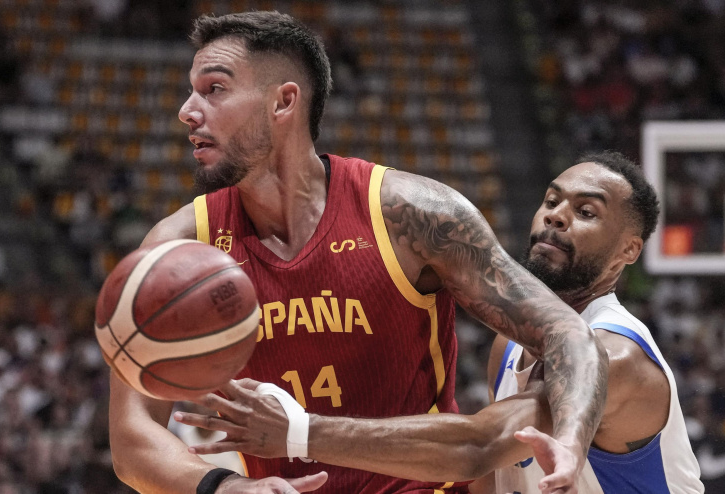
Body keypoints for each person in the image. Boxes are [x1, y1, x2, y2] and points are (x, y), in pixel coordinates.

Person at [108, 11, 609, 494]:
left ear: (283, 102)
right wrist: (226, 486)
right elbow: (132, 438)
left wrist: (570, 441)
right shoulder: (180, 246)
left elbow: (567, 333)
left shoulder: (410, 215)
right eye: (192, 91)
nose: (187, 110)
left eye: (214, 89)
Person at [174, 152, 705, 494]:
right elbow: (491, 481)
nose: (556, 215)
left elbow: (479, 446)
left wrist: (297, 433)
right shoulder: (509, 346)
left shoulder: (615, 357)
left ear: (628, 250)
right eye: (551, 200)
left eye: (586, 212)